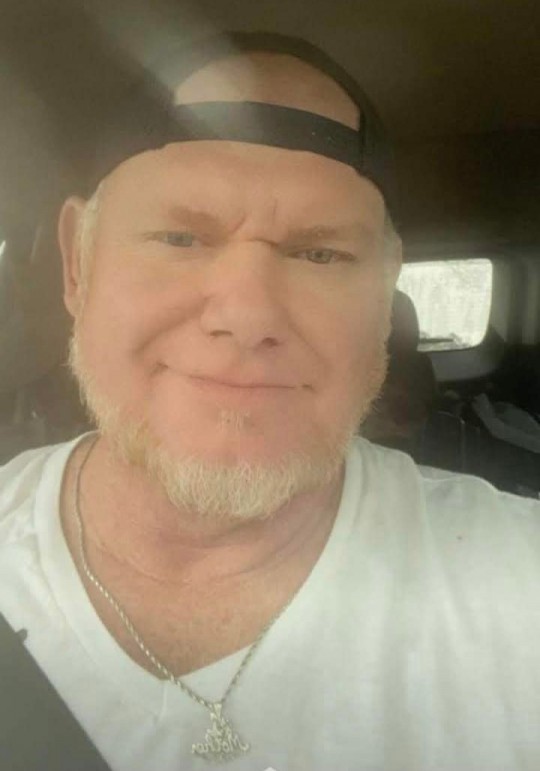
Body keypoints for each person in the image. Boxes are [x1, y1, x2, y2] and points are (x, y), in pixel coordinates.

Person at [1, 31, 539, 771]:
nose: (249, 315)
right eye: (179, 237)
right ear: (77, 264)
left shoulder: (517, 581)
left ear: (384, 294)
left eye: (321, 253)